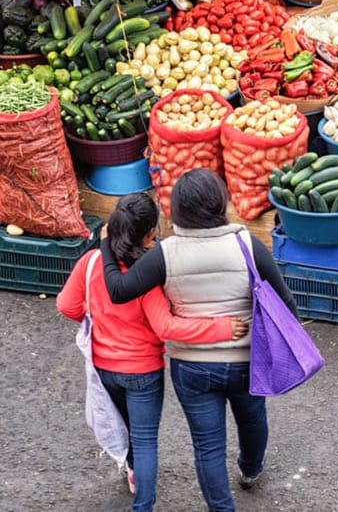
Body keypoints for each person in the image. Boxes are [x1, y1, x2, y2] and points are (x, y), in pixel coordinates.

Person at [100, 169, 299, 511]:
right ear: (220, 203)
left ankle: (222, 508)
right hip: (247, 362)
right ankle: (251, 470)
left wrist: (106, 244)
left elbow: (118, 290)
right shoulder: (247, 244)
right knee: (252, 418)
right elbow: (287, 304)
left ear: (176, 210)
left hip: (192, 367)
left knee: (208, 447)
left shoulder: (164, 254)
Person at [56, 193, 247, 512]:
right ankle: (142, 505)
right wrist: (223, 328)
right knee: (145, 442)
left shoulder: (90, 264)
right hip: (143, 373)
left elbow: (66, 306)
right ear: (148, 235)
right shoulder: (145, 273)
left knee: (127, 427)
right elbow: (167, 327)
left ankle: (133, 475)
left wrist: (99, 320)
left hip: (105, 369)